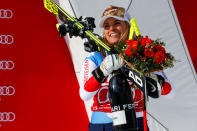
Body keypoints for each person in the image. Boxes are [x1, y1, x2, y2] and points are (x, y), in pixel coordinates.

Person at [79, 5, 174, 131]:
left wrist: (148, 75)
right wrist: (102, 71)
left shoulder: (143, 55)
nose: (111, 28)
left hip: (136, 124)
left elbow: (170, 93)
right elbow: (84, 95)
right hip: (102, 126)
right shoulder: (96, 57)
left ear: (128, 26)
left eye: (117, 23)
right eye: (107, 26)